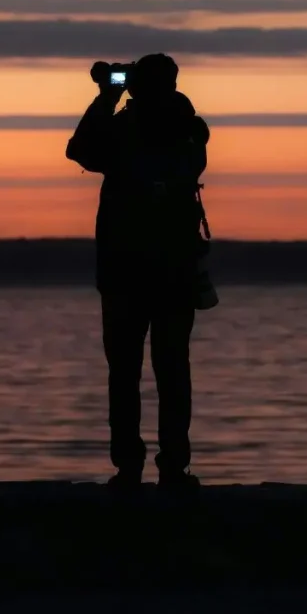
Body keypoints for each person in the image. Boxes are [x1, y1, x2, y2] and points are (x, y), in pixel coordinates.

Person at [66, 53, 211, 494]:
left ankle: (129, 469)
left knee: (125, 373)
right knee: (172, 371)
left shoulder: (127, 130)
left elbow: (79, 150)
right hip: (173, 270)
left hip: (126, 270)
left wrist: (106, 99)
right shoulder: (190, 129)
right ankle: (173, 469)